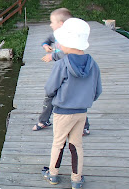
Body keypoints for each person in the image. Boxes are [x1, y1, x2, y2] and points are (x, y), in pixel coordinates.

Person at [41, 18, 102, 189]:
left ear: (67, 43)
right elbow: (97, 91)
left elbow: (49, 88)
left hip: (62, 112)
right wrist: (83, 100)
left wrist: (55, 98)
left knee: (58, 143)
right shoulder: (93, 64)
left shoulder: (62, 64)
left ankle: (53, 174)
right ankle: (76, 179)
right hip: (81, 112)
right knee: (76, 145)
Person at [33, 8, 90, 136]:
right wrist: (45, 45)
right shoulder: (56, 34)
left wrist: (52, 56)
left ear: (61, 24)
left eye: (52, 22)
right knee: (50, 96)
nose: (50, 24)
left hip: (71, 71)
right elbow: (47, 39)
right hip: (60, 70)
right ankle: (44, 121)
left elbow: (68, 54)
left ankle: (84, 126)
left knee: (75, 97)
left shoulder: (72, 38)